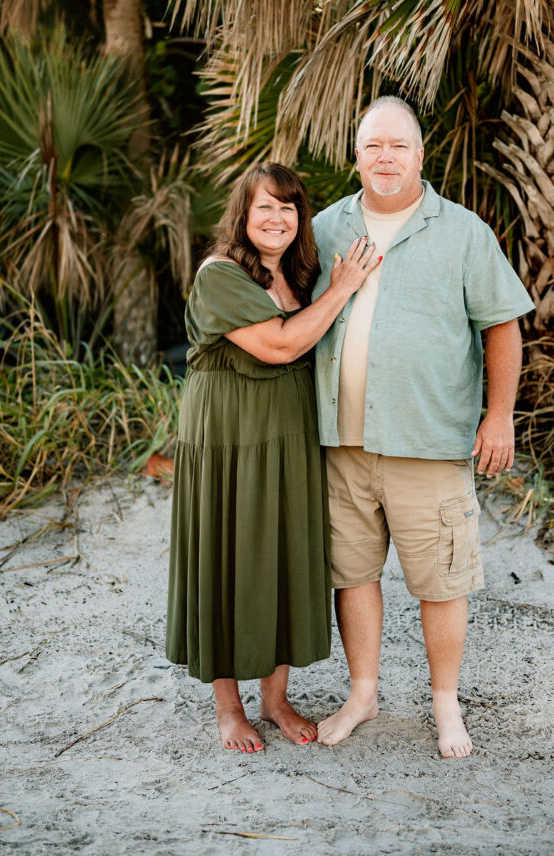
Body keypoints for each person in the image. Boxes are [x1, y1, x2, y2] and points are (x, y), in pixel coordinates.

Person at [311, 97, 534, 758]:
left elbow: (502, 326)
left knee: (441, 580)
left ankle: (445, 707)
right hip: (339, 442)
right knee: (351, 574)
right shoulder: (322, 228)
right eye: (373, 146)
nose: (385, 158)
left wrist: (498, 416)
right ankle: (362, 695)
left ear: (419, 154)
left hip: (428, 442)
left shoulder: (462, 232)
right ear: (355, 155)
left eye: (398, 146)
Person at [165, 162, 379, 754]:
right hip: (228, 437)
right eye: (266, 206)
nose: (277, 218)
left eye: (289, 208)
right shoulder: (220, 275)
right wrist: (343, 288)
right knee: (230, 558)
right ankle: (229, 709)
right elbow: (282, 344)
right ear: (243, 212)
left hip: (288, 434)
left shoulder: (300, 274)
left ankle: (275, 698)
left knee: (282, 555)